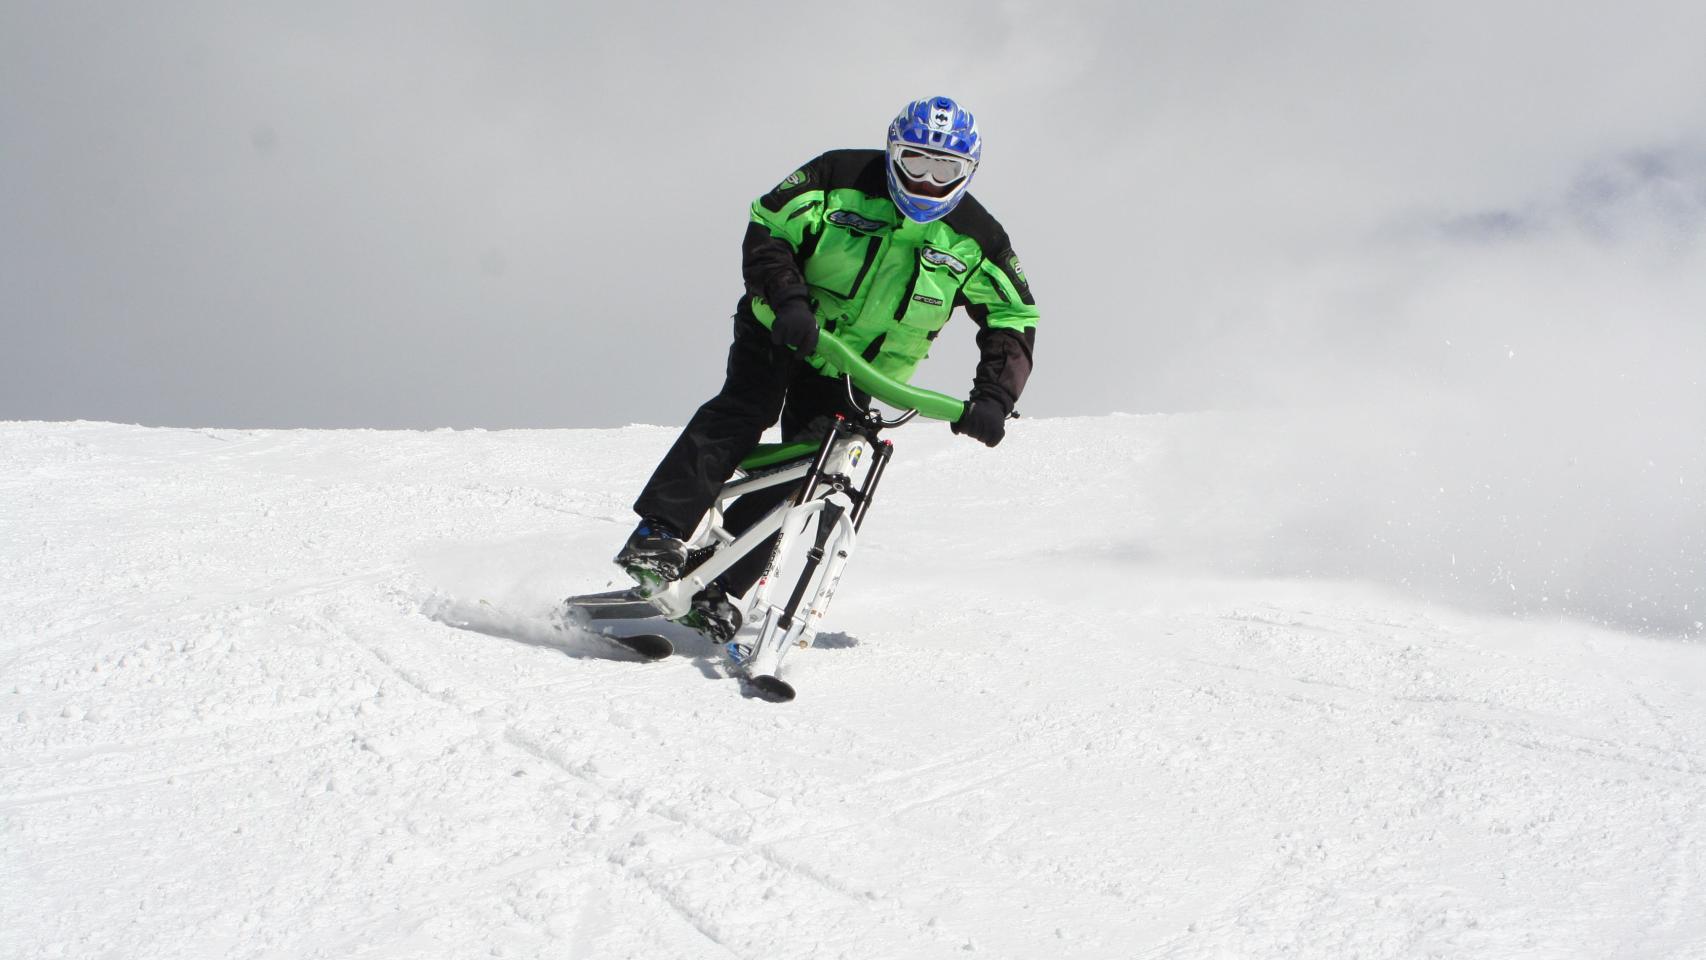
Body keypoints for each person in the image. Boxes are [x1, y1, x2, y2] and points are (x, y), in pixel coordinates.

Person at [613, 95, 1038, 641]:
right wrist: (788, 300)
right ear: (893, 153)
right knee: (748, 407)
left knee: (814, 465)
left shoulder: (979, 238)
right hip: (784, 328)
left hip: (855, 368)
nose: (929, 182)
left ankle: (720, 584)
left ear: (967, 173)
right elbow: (771, 226)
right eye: (916, 163)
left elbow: (1013, 314)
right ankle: (660, 533)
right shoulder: (837, 174)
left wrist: (994, 398)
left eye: (945, 170)